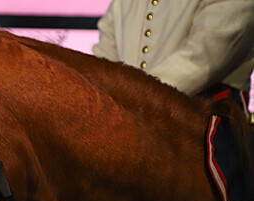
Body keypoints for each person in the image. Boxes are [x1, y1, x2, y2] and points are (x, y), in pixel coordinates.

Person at [92, 0, 254, 118]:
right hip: (127, 121)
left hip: (202, 129)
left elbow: (203, 61)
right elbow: (104, 61)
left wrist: (132, 98)